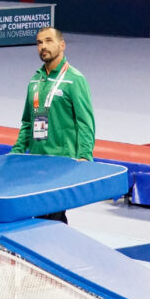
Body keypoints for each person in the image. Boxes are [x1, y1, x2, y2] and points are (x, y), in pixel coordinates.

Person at [10, 26, 96, 222]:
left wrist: (85, 157)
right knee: (39, 217)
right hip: (36, 161)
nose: (43, 46)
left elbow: (85, 123)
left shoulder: (75, 80)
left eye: (49, 41)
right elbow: (28, 122)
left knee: (52, 216)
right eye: (39, 42)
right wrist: (17, 152)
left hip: (61, 163)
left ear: (62, 45)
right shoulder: (35, 80)